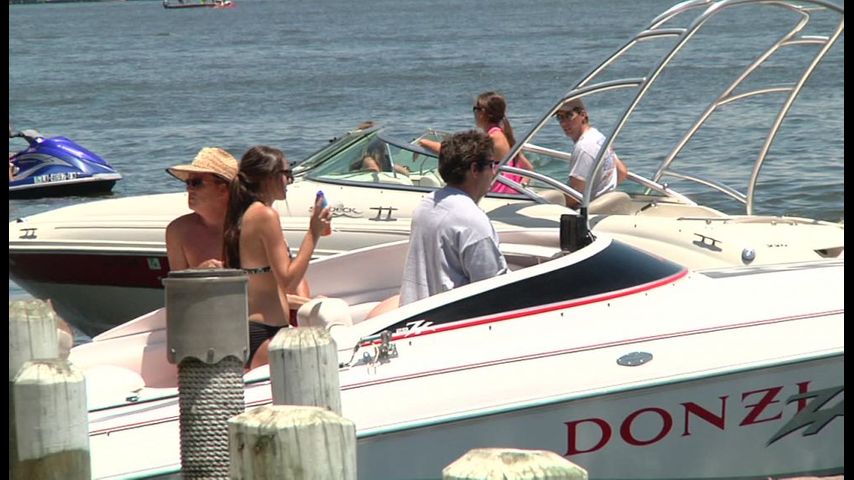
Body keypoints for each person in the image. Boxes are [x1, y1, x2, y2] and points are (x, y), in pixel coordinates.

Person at [223, 145, 331, 370]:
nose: (289, 181)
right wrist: (313, 233)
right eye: (287, 173)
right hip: (265, 331)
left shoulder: (245, 214)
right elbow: (287, 280)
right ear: (269, 177)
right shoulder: (265, 215)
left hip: (253, 329)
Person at [398, 130, 508, 306]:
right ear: (474, 169)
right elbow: (494, 291)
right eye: (491, 165)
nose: (494, 172)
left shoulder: (426, 205)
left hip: (416, 310)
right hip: (452, 317)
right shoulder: (472, 221)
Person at [418, 91, 533, 194]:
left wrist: (424, 142)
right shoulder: (505, 136)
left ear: (482, 112)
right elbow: (528, 167)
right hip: (509, 194)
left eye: (475, 109)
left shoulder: (491, 138)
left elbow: (453, 154)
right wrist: (519, 188)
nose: (474, 114)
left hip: (496, 196)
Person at [165, 147, 239, 270]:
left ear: (222, 189)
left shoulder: (250, 226)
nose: (189, 188)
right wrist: (200, 271)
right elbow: (177, 280)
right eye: (188, 183)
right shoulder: (178, 230)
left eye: (196, 182)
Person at [555, 98, 628, 208]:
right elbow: (622, 172)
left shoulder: (584, 148)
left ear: (583, 115)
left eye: (569, 116)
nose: (564, 123)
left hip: (588, 211)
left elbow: (572, 197)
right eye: (560, 117)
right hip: (608, 205)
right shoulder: (598, 137)